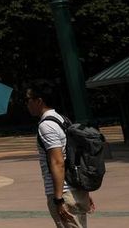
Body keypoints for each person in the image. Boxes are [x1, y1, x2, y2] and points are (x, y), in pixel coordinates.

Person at [26, 85, 95, 227]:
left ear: (39, 101)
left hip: (63, 193)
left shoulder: (46, 126)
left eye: (28, 99)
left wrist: (58, 200)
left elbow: (58, 162)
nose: (27, 104)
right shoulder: (62, 119)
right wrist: (83, 190)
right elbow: (72, 157)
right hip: (75, 189)